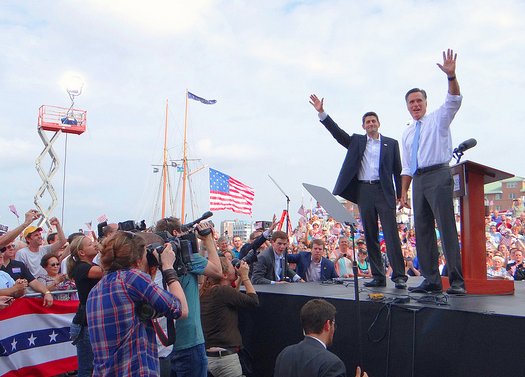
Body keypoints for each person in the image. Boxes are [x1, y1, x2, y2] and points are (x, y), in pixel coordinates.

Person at [310, 95, 407, 290]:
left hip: (384, 191)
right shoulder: (356, 141)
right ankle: (379, 275)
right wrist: (322, 113)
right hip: (365, 191)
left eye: (373, 121)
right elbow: (338, 134)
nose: (371, 124)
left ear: (379, 124)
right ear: (363, 126)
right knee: (370, 234)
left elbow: (398, 170)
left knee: (390, 235)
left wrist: (402, 193)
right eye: (367, 122)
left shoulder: (391, 143)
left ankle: (399, 276)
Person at [399, 49, 466, 295]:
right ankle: (431, 281)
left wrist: (451, 76)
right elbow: (406, 166)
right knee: (424, 230)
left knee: (446, 228)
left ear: (426, 103)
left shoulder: (438, 118)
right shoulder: (406, 133)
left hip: (439, 174)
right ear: (407, 107)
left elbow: (454, 100)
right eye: (411, 102)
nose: (415, 105)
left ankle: (457, 282)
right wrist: (403, 192)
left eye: (419, 101)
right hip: (418, 180)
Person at [87, 231, 188, 377]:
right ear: (138, 260)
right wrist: (168, 267)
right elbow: (181, 309)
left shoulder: (96, 290)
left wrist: (150, 272)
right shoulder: (132, 279)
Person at [155, 218, 222, 377]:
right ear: (175, 233)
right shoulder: (185, 257)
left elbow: (199, 280)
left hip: (162, 344)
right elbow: (218, 272)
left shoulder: (152, 257)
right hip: (189, 342)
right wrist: (208, 239)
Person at [274, 298, 367, 377]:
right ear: (327, 325)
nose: (334, 329)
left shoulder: (285, 354)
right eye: (333, 323)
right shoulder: (332, 364)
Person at [200, 257, 259, 377]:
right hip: (226, 360)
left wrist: (239, 278)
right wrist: (245, 276)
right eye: (232, 266)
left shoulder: (205, 292)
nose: (234, 267)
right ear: (224, 275)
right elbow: (254, 301)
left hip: (208, 357)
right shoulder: (223, 292)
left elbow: (232, 299)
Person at [67, 235, 104, 377]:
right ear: (81, 252)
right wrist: (105, 249)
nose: (94, 245)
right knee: (87, 368)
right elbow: (105, 271)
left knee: (94, 367)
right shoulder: (81, 268)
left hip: (92, 323)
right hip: (85, 325)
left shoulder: (91, 266)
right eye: (90, 244)